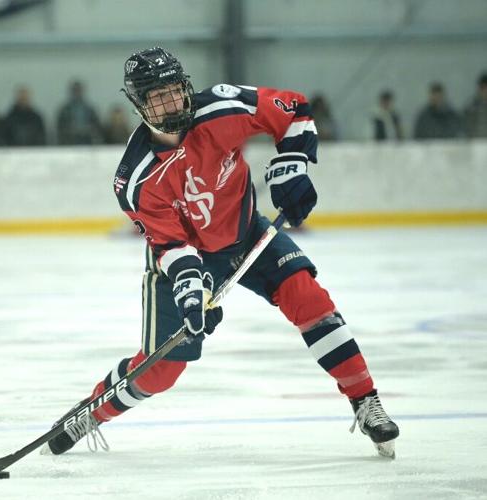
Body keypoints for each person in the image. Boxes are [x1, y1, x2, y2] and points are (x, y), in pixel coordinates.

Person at [43, 47, 400, 459]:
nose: (171, 104)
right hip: (189, 256)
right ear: (138, 105)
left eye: (175, 91)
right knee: (161, 370)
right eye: (157, 97)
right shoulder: (136, 179)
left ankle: (365, 400)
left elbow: (294, 108)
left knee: (311, 300)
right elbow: (171, 245)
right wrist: (191, 292)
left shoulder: (221, 108)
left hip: (248, 231)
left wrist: (294, 163)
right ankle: (91, 412)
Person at [56, 80, 103, 145]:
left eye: (79, 90)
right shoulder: (64, 111)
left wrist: (88, 130)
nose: (77, 93)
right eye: (75, 90)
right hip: (70, 143)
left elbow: (97, 127)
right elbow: (60, 128)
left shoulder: (90, 110)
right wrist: (71, 129)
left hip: (88, 142)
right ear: (71, 92)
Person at [463, 72, 487, 138]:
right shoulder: (471, 108)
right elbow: (467, 128)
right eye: (483, 88)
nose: (485, 91)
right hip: (475, 145)